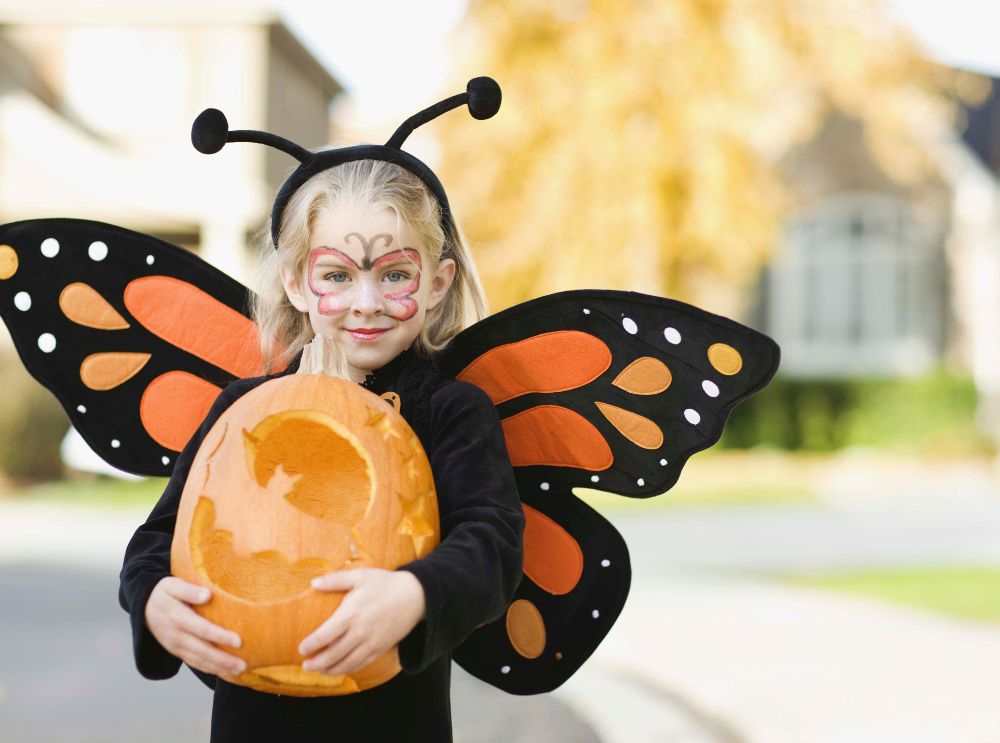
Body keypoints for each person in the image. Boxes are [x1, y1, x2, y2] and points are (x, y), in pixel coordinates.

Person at [119, 83, 525, 743]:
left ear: (437, 282)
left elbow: (493, 545)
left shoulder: (452, 412)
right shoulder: (241, 411)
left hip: (395, 725)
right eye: (337, 275)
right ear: (296, 283)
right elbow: (158, 539)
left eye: (394, 275)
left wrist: (417, 592)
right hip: (253, 724)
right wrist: (152, 598)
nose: (366, 302)